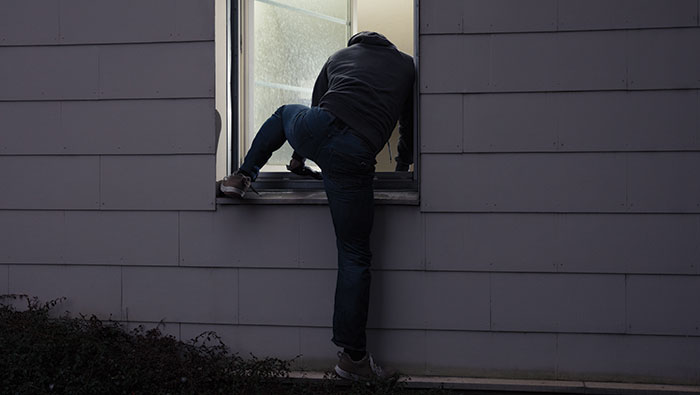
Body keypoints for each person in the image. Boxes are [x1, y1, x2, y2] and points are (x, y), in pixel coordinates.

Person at [220, 31, 415, 381]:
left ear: (357, 44)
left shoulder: (339, 56)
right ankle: (353, 359)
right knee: (354, 255)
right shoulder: (406, 67)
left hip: (317, 127)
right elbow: (410, 127)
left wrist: (297, 158)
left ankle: (241, 175)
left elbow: (317, 104)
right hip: (354, 152)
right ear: (386, 46)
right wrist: (403, 169)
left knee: (283, 113)